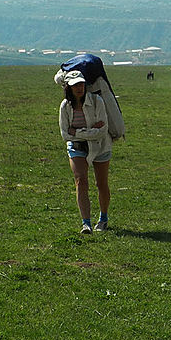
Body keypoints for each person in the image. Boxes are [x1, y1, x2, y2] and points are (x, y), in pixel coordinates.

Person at [58, 70, 113, 234]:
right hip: (77, 147)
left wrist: (77, 132)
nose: (79, 88)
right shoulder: (65, 106)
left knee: (101, 183)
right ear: (68, 87)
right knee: (81, 181)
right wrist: (88, 132)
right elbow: (65, 133)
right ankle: (86, 223)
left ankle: (103, 219)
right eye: (75, 85)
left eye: (81, 84)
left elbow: (102, 131)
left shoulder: (97, 101)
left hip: (100, 146)